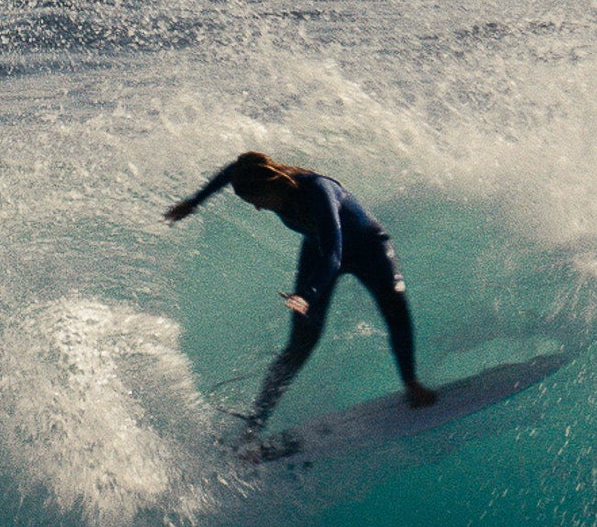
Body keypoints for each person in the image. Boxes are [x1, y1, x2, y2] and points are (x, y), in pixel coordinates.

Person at [166, 151, 438, 433]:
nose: (257, 208)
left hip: (367, 249)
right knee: (299, 345)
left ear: (269, 188)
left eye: (256, 201)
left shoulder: (319, 191)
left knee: (394, 305)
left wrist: (308, 294)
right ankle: (255, 423)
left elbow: (335, 253)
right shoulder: (260, 179)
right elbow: (234, 169)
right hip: (317, 251)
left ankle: (411, 384)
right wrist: (195, 202)